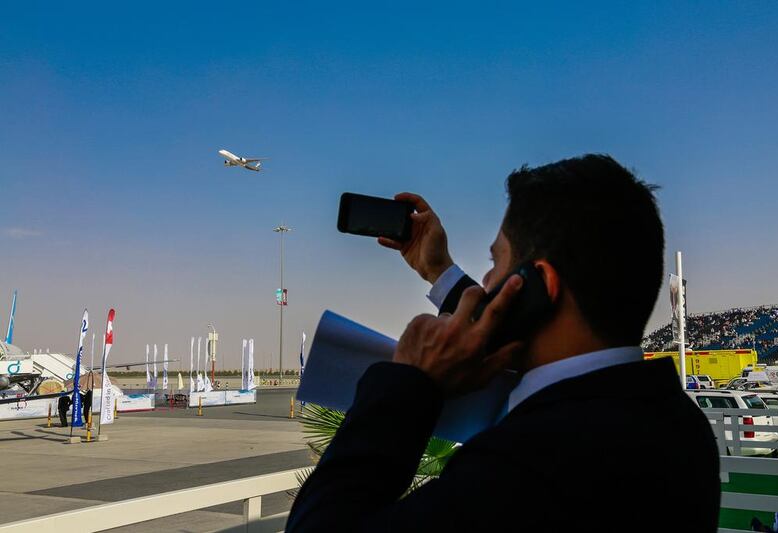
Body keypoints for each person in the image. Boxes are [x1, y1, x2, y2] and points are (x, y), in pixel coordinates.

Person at [287, 154, 721, 532]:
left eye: (495, 262)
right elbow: (516, 314)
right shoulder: (680, 427)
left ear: (538, 285)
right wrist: (439, 271)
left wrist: (407, 384)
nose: (488, 281)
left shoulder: (525, 468)